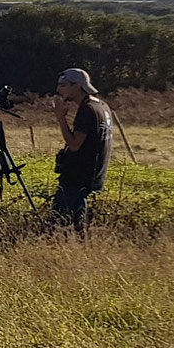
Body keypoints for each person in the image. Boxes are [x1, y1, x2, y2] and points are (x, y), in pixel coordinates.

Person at [50, 67, 113, 235]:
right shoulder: (101, 105)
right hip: (93, 172)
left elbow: (74, 144)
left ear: (77, 86)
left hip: (80, 175)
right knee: (74, 220)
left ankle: (73, 249)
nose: (58, 90)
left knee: (63, 223)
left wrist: (60, 117)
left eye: (63, 85)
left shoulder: (87, 110)